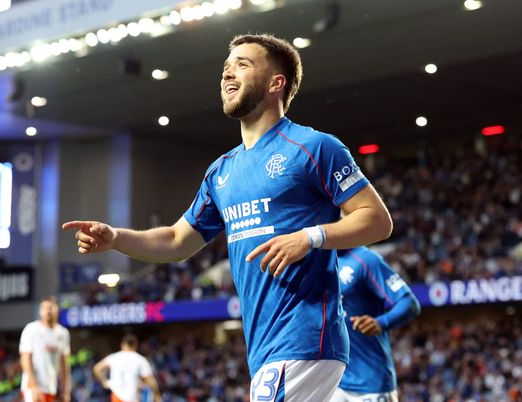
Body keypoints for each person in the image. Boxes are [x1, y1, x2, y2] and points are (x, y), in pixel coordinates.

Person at [63, 33, 392, 401]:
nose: (227, 74)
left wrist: (310, 237)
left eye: (242, 65)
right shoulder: (222, 171)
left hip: (304, 337)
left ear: (275, 82)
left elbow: (377, 220)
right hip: (264, 347)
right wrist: (116, 238)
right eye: (225, 68)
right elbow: (176, 241)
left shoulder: (314, 147)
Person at [330, 246, 421, 402]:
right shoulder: (318, 262)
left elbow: (409, 303)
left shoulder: (365, 259)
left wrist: (381, 322)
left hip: (370, 384)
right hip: (334, 381)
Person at [19, 296, 71, 402]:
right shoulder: (32, 329)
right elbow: (25, 359)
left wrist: (65, 390)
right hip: (33, 387)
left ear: (57, 310)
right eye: (44, 308)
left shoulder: (63, 333)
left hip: (51, 387)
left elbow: (64, 363)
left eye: (50, 307)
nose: (48, 311)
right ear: (40, 311)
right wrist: (33, 386)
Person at [92, 334, 162, 402]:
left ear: (122, 344)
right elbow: (150, 380)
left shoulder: (114, 357)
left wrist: (104, 382)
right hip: (132, 397)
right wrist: (156, 395)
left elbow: (97, 368)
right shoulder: (140, 359)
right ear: (136, 345)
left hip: (117, 396)